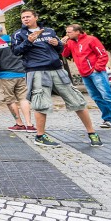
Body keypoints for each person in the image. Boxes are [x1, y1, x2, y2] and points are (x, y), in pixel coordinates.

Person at [11, 9, 102, 148]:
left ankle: (92, 133)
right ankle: (40, 136)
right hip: (37, 71)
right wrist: (28, 41)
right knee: (41, 104)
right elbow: (16, 52)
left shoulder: (49, 31)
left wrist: (57, 44)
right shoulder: (19, 34)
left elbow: (59, 50)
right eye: (23, 17)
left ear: (36, 17)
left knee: (77, 100)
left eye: (28, 16)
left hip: (57, 69)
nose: (25, 19)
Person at [61, 24, 111, 131]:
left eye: (69, 32)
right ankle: (109, 119)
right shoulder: (70, 42)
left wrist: (97, 68)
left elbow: (102, 54)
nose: (67, 34)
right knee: (97, 97)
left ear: (78, 31)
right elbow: (65, 54)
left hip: (96, 72)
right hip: (84, 74)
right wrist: (64, 44)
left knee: (107, 95)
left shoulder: (91, 39)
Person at [0, 24, 35, 132]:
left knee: (9, 100)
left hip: (5, 75)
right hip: (21, 73)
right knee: (23, 99)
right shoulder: (13, 39)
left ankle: (19, 124)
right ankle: (29, 124)